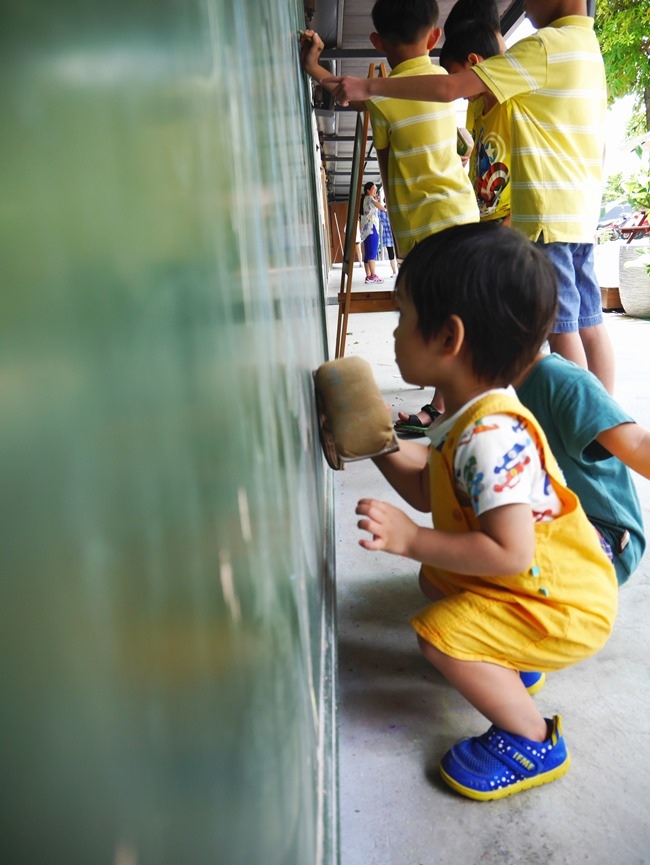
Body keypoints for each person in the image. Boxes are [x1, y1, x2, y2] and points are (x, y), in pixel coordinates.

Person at [354, 222, 618, 801]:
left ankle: (532, 738)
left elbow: (509, 551)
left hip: (562, 602)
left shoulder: (490, 436)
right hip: (535, 586)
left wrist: (411, 539)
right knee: (436, 579)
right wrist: (376, 443)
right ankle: (507, 658)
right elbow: (431, 490)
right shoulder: (470, 415)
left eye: (401, 318)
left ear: (449, 338)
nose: (394, 333)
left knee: (440, 636)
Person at [326, 0, 617, 398]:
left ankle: (575, 432)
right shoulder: (587, 48)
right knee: (589, 320)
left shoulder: (546, 46)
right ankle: (602, 429)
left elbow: (449, 88)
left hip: (547, 221)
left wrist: (369, 85)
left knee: (560, 327)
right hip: (579, 216)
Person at [300, 0, 478, 432]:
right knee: (459, 312)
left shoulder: (383, 99)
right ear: (435, 38)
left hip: (419, 228)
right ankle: (453, 402)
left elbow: (380, 149)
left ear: (377, 42)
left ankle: (448, 404)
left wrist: (313, 62)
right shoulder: (446, 82)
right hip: (461, 213)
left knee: (433, 317)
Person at [515, 353, 649, 586]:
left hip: (602, 534)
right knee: (437, 579)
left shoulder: (561, 381)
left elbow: (638, 445)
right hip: (526, 522)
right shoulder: (477, 388)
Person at [440, 19, 511, 225]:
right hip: (482, 218)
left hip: (507, 224)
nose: (456, 91)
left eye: (456, 77)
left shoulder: (510, 105)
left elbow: (535, 175)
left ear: (474, 61)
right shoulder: (476, 105)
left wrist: (508, 227)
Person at [360, 181, 385, 284]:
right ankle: (373, 275)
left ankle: (368, 276)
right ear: (368, 190)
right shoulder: (370, 199)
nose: (375, 191)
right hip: (371, 228)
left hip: (366, 230)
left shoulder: (366, 199)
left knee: (367, 254)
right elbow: (378, 205)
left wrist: (376, 199)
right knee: (372, 253)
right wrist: (385, 209)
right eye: (374, 189)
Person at [377, 198, 398, 277]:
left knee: (395, 254)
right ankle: (395, 272)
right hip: (389, 235)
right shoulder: (382, 211)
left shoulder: (392, 211)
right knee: (391, 254)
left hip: (393, 234)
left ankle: (396, 271)